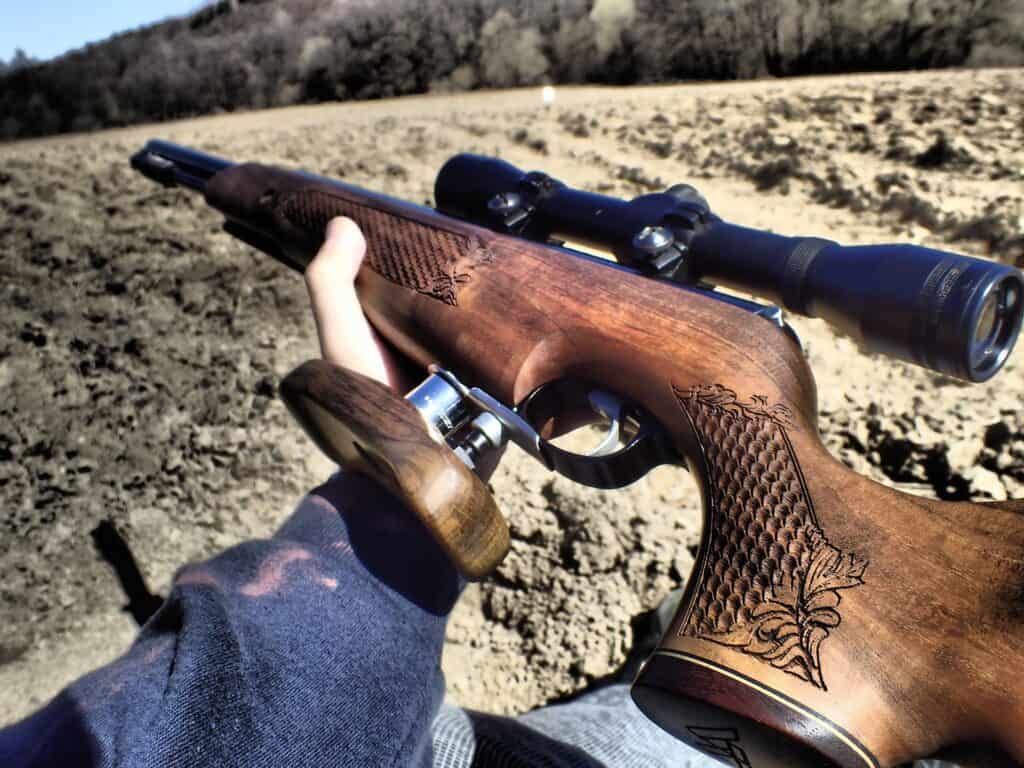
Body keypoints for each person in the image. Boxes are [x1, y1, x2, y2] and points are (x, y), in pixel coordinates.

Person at [0, 218, 716, 767]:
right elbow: (249, 726)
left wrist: (407, 457)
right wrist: (390, 503)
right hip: (335, 719)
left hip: (363, 721)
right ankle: (667, 688)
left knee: (464, 733)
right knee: (678, 739)